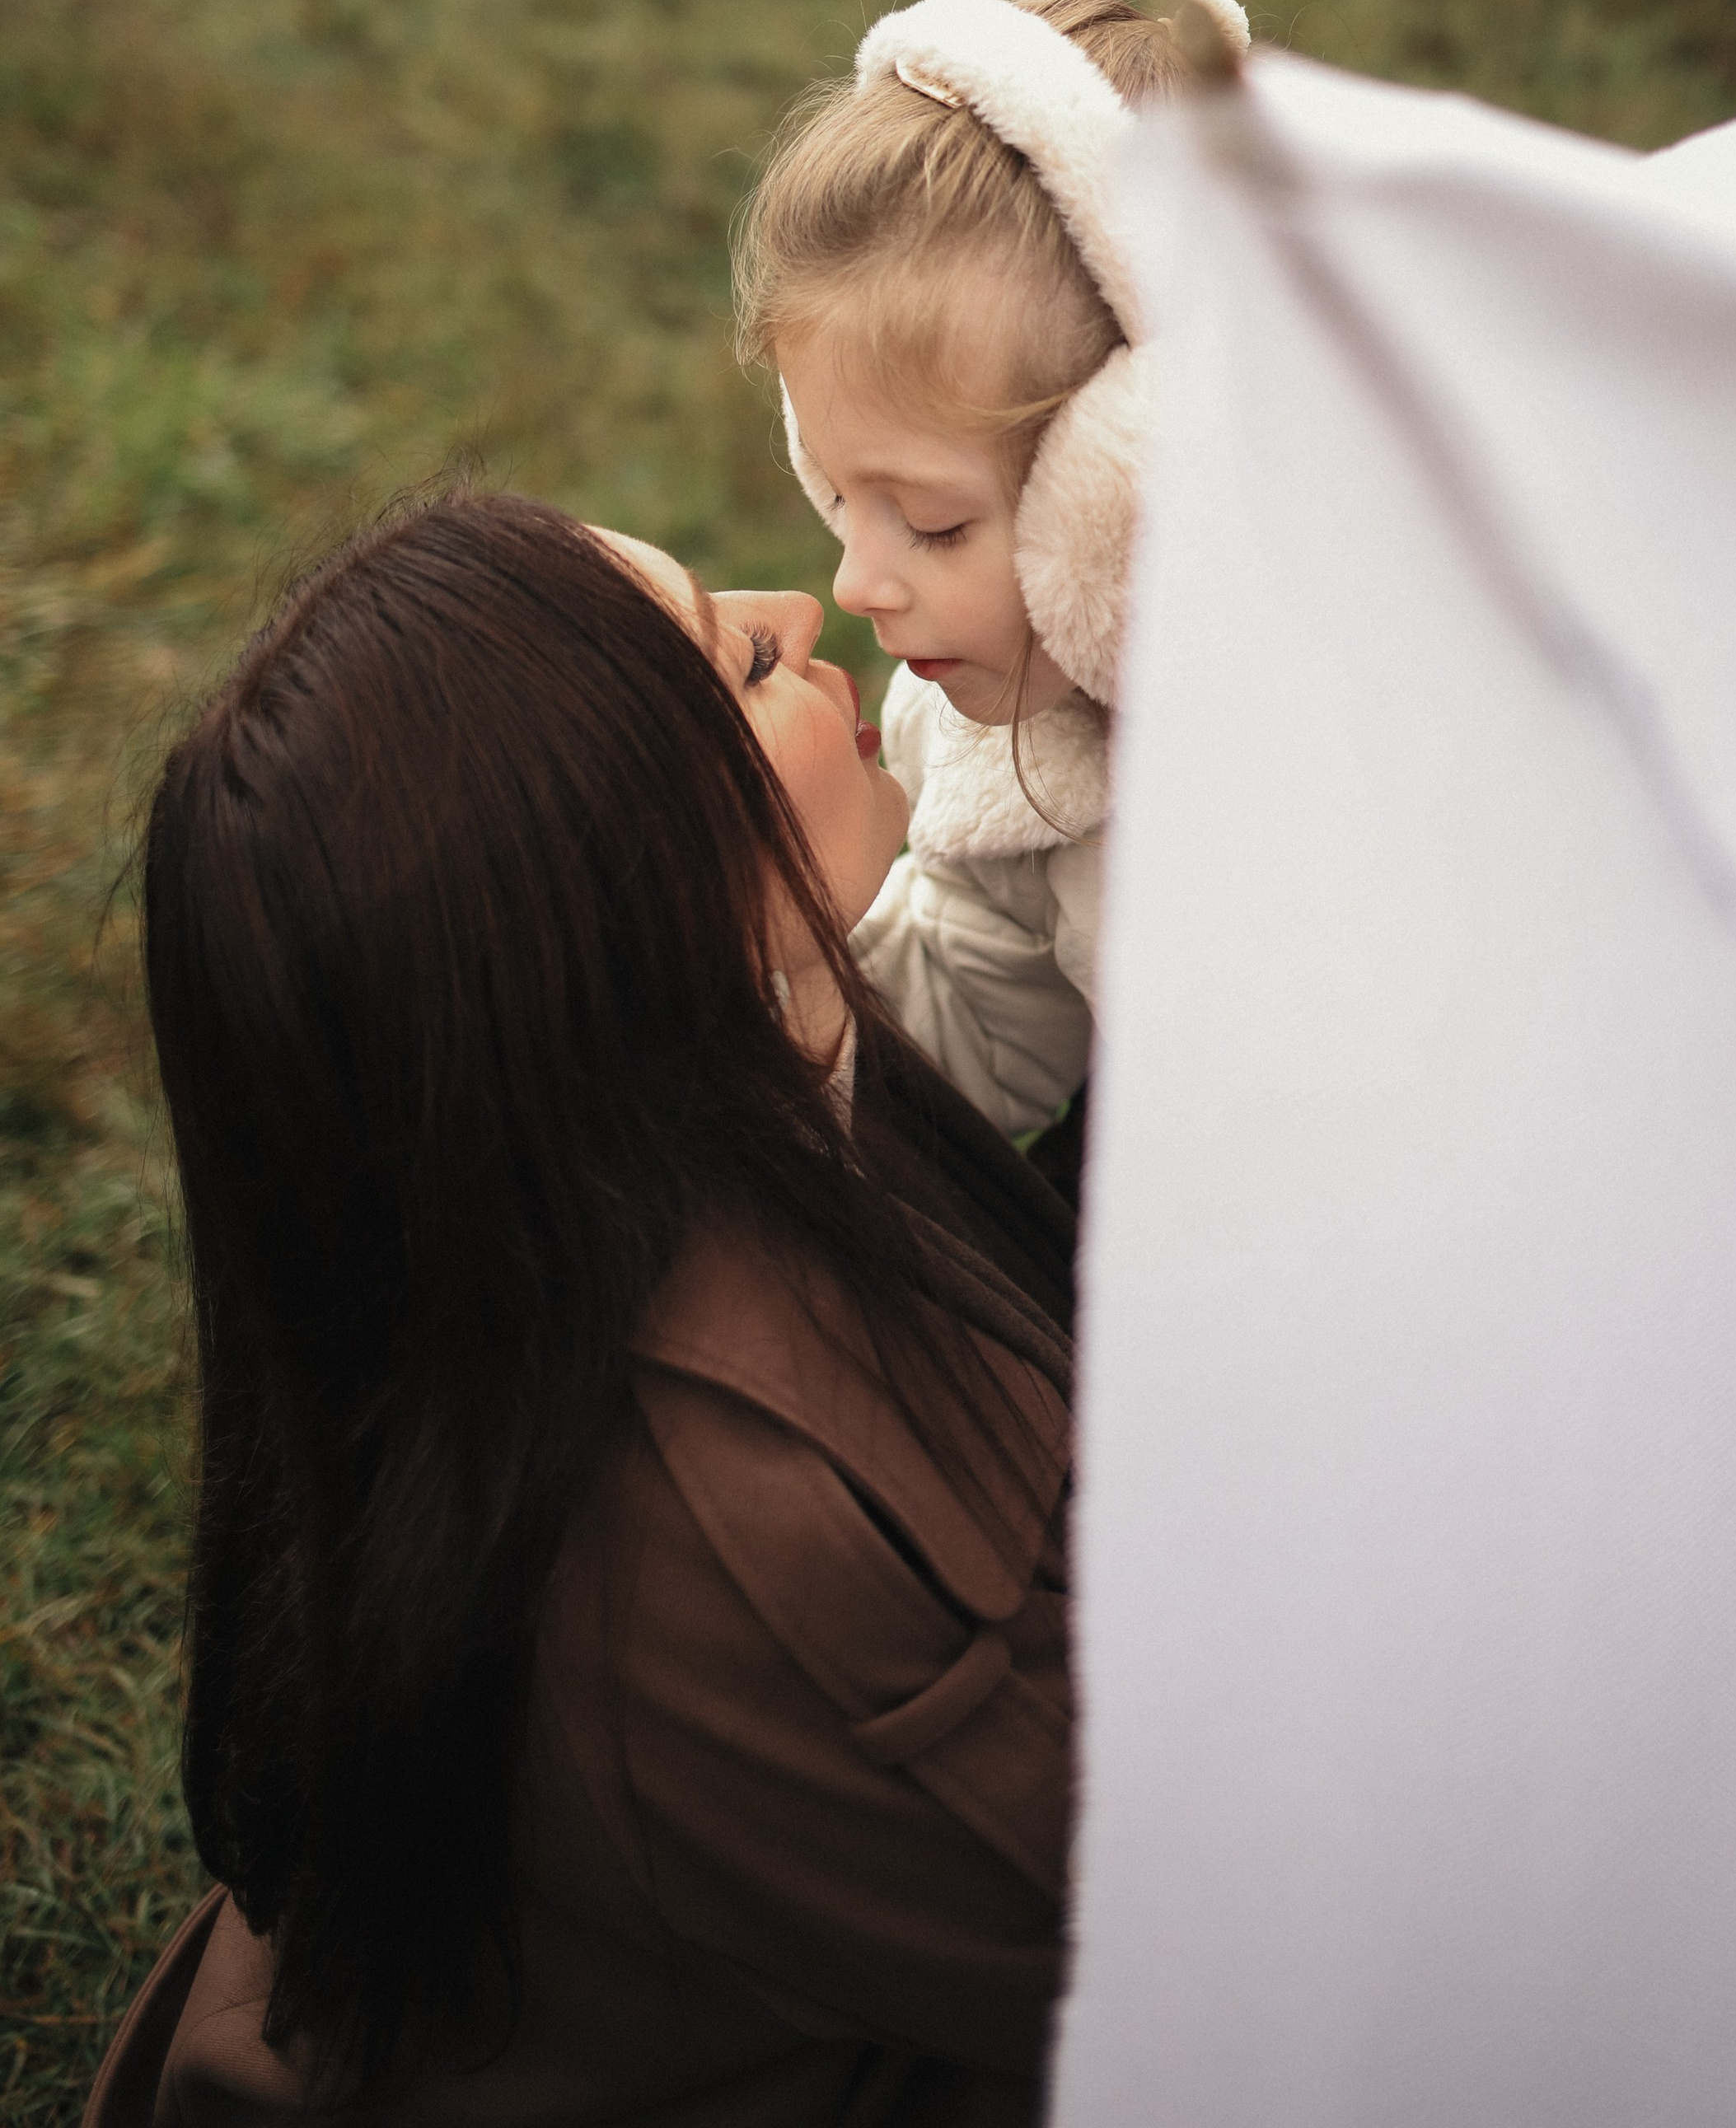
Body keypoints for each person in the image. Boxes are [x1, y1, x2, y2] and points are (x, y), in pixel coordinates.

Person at [86, 491, 1075, 2128]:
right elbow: (1171, 1934)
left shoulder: (676, 1116)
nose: (810, 607)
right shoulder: (753, 1527)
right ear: (646, 912)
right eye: (750, 658)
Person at [735, 0, 1247, 1140]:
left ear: (1138, 480)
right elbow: (972, 1020)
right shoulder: (992, 732)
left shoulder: (1379, 727)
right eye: (837, 492)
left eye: (930, 522)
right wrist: (784, 976)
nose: (853, 585)